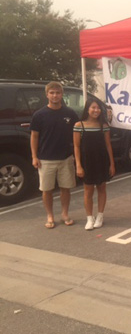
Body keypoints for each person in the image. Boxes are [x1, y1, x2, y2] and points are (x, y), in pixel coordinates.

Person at [30, 82, 79, 229]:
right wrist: (34, 156)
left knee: (66, 188)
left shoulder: (70, 113)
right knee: (47, 190)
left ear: (62, 94)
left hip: (66, 158)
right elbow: (34, 137)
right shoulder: (39, 115)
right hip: (45, 159)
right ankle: (50, 215)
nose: (55, 95)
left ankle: (65, 214)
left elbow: (77, 134)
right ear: (47, 95)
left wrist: (77, 154)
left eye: (57, 92)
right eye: (52, 93)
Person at [74, 97, 115, 230]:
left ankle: (100, 216)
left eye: (98, 108)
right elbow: (76, 147)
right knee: (88, 190)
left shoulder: (104, 126)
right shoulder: (79, 125)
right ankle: (89, 218)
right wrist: (79, 165)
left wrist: (112, 164)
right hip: (87, 162)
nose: (96, 110)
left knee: (102, 188)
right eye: (93, 107)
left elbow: (108, 145)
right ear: (87, 109)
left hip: (102, 161)